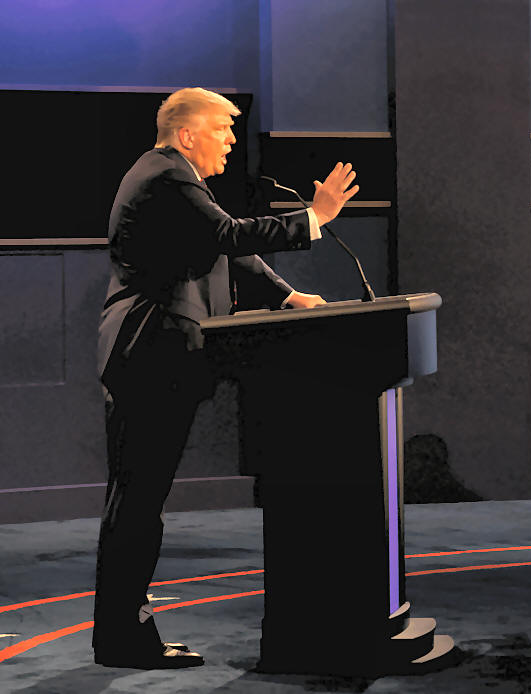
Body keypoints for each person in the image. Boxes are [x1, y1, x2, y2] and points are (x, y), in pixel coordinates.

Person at [94, 87, 359, 669]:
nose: (232, 140)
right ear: (187, 133)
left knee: (139, 499)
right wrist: (314, 218)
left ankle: (122, 633)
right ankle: (121, 638)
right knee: (138, 501)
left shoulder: (175, 178)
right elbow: (230, 236)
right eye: (221, 128)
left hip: (154, 355)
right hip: (149, 353)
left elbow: (227, 251)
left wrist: (289, 296)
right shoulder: (167, 176)